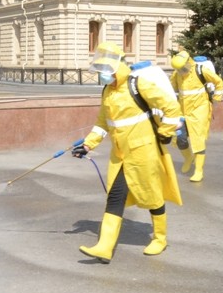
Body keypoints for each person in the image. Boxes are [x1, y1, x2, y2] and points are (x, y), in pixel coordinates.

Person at [71, 42, 183, 263]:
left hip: (144, 152)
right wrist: (88, 145)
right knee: (115, 196)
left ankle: (160, 238)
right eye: (100, 71)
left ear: (116, 67)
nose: (102, 75)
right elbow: (103, 123)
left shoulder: (138, 84)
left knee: (152, 195)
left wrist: (165, 131)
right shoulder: (108, 91)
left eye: (105, 70)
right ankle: (104, 246)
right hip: (120, 155)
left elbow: (171, 107)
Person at [170, 51, 223, 182]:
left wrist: (216, 97)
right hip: (183, 112)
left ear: (189, 63)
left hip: (199, 110)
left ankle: (198, 170)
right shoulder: (177, 74)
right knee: (179, 137)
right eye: (178, 69)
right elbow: (171, 90)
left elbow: (218, 81)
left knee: (198, 141)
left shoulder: (200, 70)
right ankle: (188, 157)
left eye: (183, 68)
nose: (181, 71)